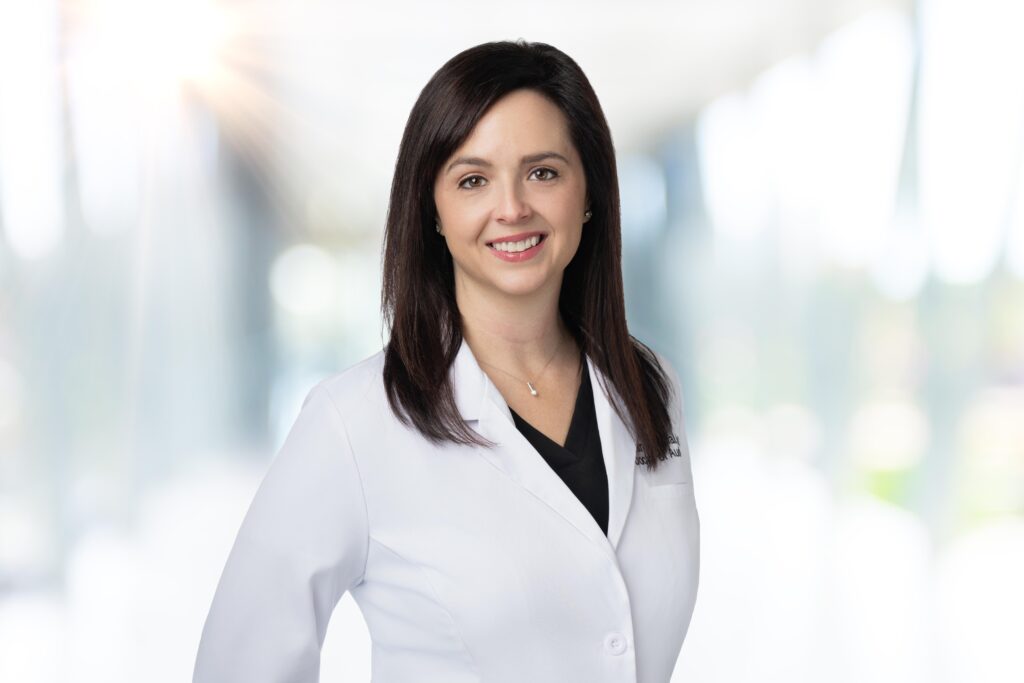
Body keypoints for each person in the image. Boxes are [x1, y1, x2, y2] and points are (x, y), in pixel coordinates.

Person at [193, 39, 700, 683]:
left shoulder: (650, 388)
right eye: (473, 180)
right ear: (432, 209)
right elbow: (242, 663)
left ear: (590, 193)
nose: (512, 207)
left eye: (543, 172)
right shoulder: (352, 424)